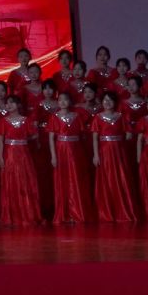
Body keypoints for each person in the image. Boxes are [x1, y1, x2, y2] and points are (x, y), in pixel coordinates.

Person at [90, 93, 139, 223]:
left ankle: (123, 210)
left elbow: (128, 133)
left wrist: (127, 135)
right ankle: (107, 211)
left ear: (115, 102)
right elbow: (95, 138)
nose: (107, 102)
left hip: (118, 152)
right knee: (106, 178)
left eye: (110, 100)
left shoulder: (121, 117)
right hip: (104, 152)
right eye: (105, 100)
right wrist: (96, 155)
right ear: (101, 102)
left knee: (121, 177)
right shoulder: (98, 117)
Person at [0, 100, 44, 226]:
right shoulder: (2, 122)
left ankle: (27, 212)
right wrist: (0, 157)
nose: (9, 105)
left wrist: (23, 139)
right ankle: (12, 214)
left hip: (23, 154)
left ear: (18, 105)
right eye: (7, 103)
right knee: (10, 181)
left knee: (24, 180)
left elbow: (34, 135)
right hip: (9, 154)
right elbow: (0, 141)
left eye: (12, 102)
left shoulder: (26, 120)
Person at [46, 94, 92, 225]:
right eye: (60, 100)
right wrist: (53, 156)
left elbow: (83, 136)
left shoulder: (77, 116)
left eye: (65, 99)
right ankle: (64, 213)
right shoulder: (54, 117)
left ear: (70, 101)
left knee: (76, 178)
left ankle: (77, 211)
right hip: (61, 150)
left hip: (76, 150)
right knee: (63, 179)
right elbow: (51, 138)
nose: (63, 102)